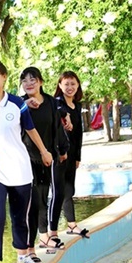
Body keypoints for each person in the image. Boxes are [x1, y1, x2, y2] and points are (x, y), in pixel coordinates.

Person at [0, 59, 53, 263]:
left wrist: (44, 151)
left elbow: (30, 129)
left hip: (19, 168)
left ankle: (23, 255)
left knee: (20, 216)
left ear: (4, 77)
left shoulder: (17, 103)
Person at [19, 66, 69, 254]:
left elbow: (57, 127)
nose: (29, 83)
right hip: (26, 158)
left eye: (32, 79)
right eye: (25, 80)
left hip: (47, 157)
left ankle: (43, 236)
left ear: (40, 82)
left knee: (43, 197)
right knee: (33, 201)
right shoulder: (19, 104)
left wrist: (62, 150)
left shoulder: (50, 102)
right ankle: (31, 244)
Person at [54, 70, 89, 238]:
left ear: (78, 85)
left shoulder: (77, 105)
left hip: (72, 154)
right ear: (60, 85)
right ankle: (56, 230)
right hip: (60, 154)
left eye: (73, 84)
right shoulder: (57, 104)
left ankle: (71, 224)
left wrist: (78, 157)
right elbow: (57, 111)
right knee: (60, 192)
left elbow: (79, 134)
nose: (70, 87)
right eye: (66, 84)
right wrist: (64, 114)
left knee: (69, 189)